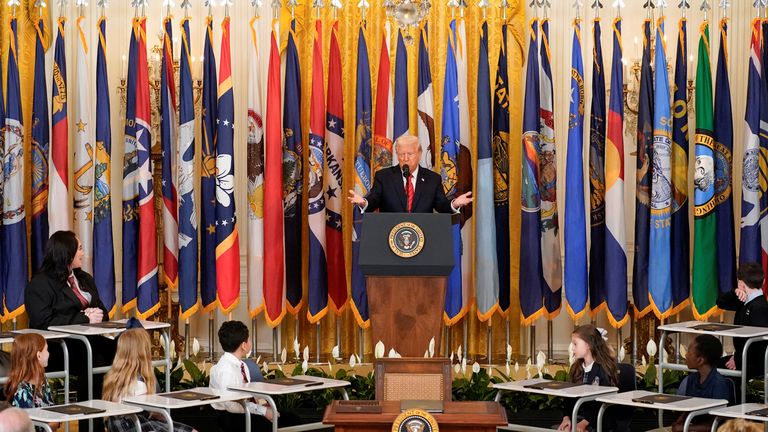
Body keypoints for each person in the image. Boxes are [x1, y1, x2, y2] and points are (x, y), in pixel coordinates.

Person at [24, 231, 116, 412]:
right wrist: (85, 317)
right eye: (79, 249)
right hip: (58, 348)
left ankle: (128, 414)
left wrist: (95, 313)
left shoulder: (84, 278)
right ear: (67, 252)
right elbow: (43, 322)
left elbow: (103, 312)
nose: (83, 253)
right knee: (93, 357)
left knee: (126, 347)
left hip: (90, 341)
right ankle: (90, 419)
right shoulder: (40, 284)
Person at [347, 135, 473, 213]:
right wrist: (364, 202)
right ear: (397, 154)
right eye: (402, 154)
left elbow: (441, 206)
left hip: (423, 238)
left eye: (410, 154)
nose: (405, 158)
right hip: (391, 237)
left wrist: (454, 203)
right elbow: (374, 200)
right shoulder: (384, 177)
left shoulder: (433, 179)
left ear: (419, 154)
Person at [103, 328, 196, 432]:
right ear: (143, 353)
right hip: (134, 424)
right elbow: (154, 412)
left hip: (120, 424)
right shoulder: (138, 384)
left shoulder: (115, 377)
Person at [209, 321, 274, 431]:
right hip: (231, 417)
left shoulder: (241, 365)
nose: (250, 342)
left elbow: (248, 394)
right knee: (269, 425)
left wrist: (262, 406)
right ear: (244, 345)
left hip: (245, 411)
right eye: (248, 339)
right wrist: (262, 412)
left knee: (291, 419)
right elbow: (231, 405)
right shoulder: (226, 371)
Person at [716, 262, 768, 390]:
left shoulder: (759, 307)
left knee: (711, 370)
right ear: (764, 281)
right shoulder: (744, 299)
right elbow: (720, 302)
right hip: (743, 357)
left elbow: (761, 342)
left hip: (754, 363)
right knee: (711, 365)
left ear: (741, 283)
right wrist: (735, 292)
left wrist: (738, 358)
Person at [558, 325, 618, 432]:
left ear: (588, 345)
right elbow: (567, 397)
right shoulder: (575, 368)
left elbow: (602, 402)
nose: (572, 348)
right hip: (576, 418)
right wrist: (566, 418)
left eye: (575, 344)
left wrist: (584, 423)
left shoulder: (603, 369)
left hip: (598, 421)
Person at [672, 335, 734, 432]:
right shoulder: (691, 379)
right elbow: (687, 409)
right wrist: (678, 424)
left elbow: (716, 424)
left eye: (689, 352)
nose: (686, 355)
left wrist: (685, 428)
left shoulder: (719, 384)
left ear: (700, 360)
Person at [5, 334, 55, 432]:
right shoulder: (22, 390)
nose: (49, 353)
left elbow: (52, 411)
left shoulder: (42, 380)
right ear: (38, 355)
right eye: (46, 349)